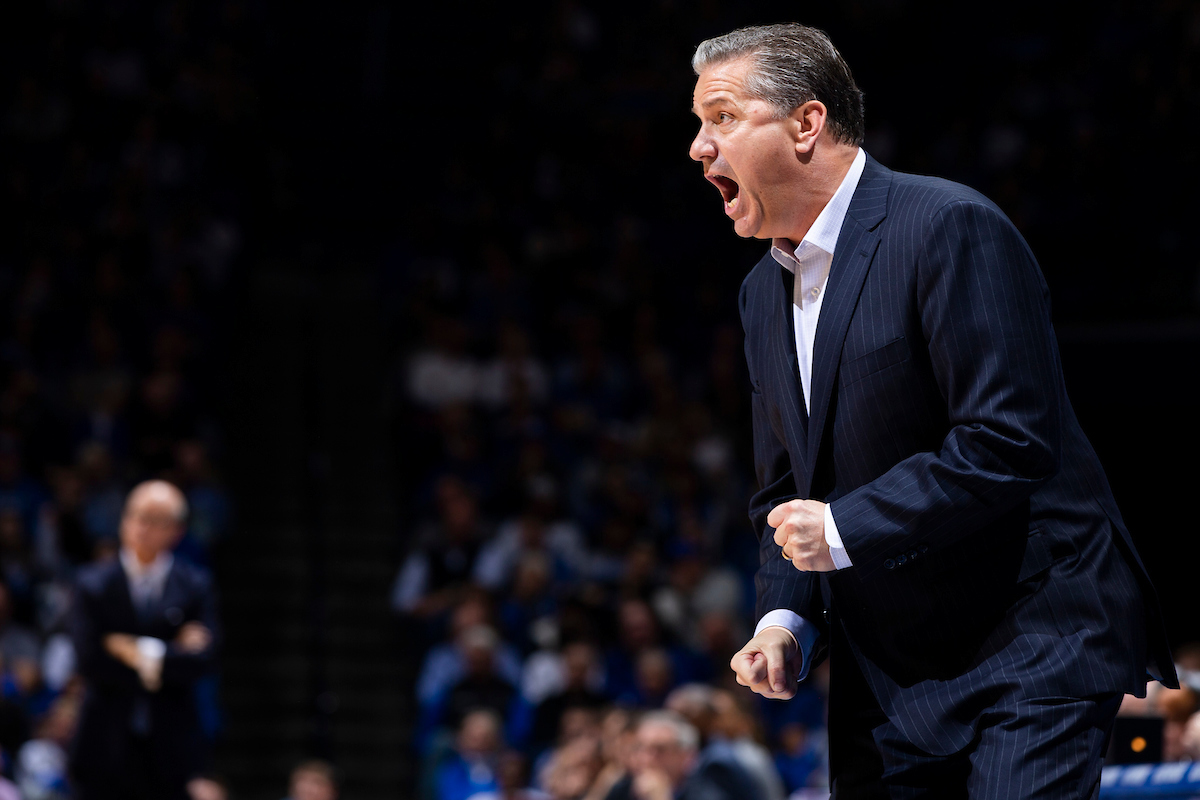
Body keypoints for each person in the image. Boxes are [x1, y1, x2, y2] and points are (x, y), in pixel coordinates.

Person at [687, 23, 1177, 798]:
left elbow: (1007, 440)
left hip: (1030, 634)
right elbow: (784, 495)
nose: (698, 147)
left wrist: (844, 530)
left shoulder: (948, 226)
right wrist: (785, 620)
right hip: (889, 670)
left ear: (806, 124)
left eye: (720, 117)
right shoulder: (759, 294)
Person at [69, 480, 219, 800]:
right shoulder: (92, 583)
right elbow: (90, 659)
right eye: (136, 516)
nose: (141, 527)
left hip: (170, 745)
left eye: (155, 520)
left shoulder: (195, 585)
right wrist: (170, 649)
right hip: (104, 742)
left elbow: (201, 660)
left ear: (177, 531)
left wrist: (136, 650)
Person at [602, 711, 755, 800]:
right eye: (641, 748)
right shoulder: (623, 787)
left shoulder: (708, 790)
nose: (647, 758)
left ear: (687, 755)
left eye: (660, 750)